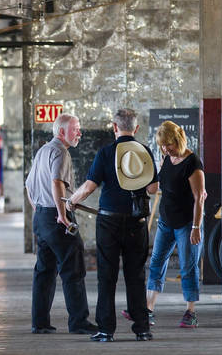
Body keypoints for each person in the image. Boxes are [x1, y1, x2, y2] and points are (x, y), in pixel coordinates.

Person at [67, 108, 157, 342]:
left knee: (107, 276)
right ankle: (142, 329)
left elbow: (89, 187)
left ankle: (106, 330)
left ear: (114, 127)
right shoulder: (144, 152)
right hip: (137, 221)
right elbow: (153, 188)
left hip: (109, 221)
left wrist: (71, 201)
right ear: (136, 128)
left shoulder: (106, 153)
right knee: (136, 275)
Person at [25, 113, 98, 335]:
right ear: (61, 132)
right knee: (73, 269)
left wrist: (40, 210)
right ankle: (78, 322)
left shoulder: (43, 150)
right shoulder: (60, 151)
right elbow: (56, 183)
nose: (79, 133)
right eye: (75, 129)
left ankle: (40, 323)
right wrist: (62, 215)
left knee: (44, 271)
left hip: (42, 218)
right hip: (57, 218)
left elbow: (29, 185)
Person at [144, 120, 206, 328]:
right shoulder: (166, 158)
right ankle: (148, 309)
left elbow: (199, 197)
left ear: (178, 140)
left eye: (168, 144)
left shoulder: (193, 163)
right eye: (162, 145)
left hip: (187, 223)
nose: (165, 148)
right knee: (156, 263)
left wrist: (196, 227)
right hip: (166, 221)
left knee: (188, 267)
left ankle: (191, 312)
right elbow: (159, 186)